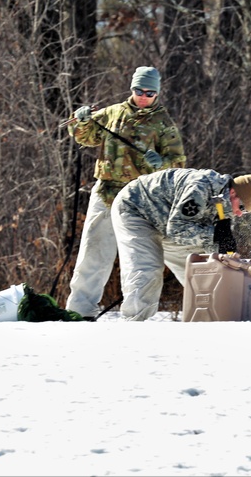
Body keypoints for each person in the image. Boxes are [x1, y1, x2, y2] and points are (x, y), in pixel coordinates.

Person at [64, 66, 186, 319]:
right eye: (139, 90)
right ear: (131, 89)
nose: (143, 96)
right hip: (106, 192)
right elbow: (84, 137)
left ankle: (135, 315)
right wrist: (82, 120)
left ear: (157, 94)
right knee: (93, 251)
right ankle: (79, 310)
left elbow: (178, 163)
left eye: (150, 93)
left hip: (139, 199)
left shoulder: (163, 123)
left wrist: (160, 163)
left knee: (137, 259)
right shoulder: (111, 113)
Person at [110, 169, 251, 321]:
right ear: (233, 193)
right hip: (135, 209)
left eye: (245, 212)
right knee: (148, 268)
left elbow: (204, 242)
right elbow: (177, 229)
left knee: (201, 267)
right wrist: (214, 235)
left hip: (165, 221)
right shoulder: (200, 188)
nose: (239, 214)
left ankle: (214, 315)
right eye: (241, 207)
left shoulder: (223, 204)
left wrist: (224, 254)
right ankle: (133, 325)